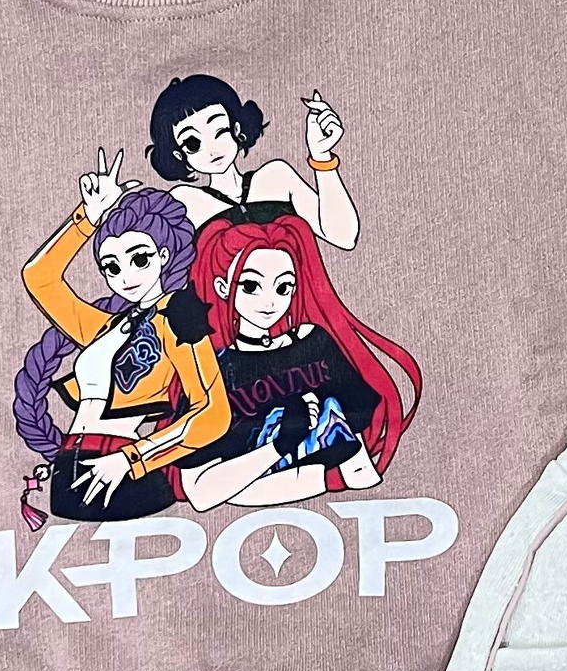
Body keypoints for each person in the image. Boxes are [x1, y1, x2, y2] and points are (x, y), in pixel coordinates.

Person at [13, 153, 230, 521]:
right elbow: (39, 279)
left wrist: (133, 459)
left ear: (165, 255)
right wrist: (87, 217)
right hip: (68, 471)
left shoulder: (178, 317)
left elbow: (213, 413)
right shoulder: (107, 326)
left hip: (123, 473)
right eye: (111, 267)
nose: (125, 276)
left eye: (139, 259)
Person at [175, 213, 420, 512]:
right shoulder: (210, 370)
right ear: (223, 287)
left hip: (343, 502)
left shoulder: (312, 343)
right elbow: (201, 494)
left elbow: (360, 468)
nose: (269, 302)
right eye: (251, 286)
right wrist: (281, 446)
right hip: (268, 502)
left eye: (283, 288)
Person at [146, 73, 360, 247]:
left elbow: (344, 237)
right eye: (193, 143)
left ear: (236, 128)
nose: (212, 149)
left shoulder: (276, 177)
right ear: (178, 154)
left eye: (219, 130)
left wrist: (321, 156)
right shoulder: (185, 202)